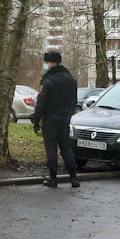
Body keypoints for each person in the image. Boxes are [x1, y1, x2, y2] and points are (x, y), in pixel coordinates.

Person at [31, 51, 80, 188]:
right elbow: (74, 101)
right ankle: (73, 177)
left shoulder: (49, 80)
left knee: (51, 147)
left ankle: (53, 178)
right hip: (65, 117)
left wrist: (36, 119)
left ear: (50, 62)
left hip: (51, 118)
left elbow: (42, 101)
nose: (45, 65)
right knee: (66, 147)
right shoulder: (71, 79)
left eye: (46, 62)